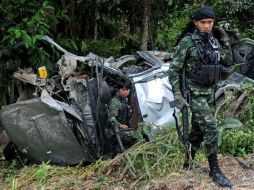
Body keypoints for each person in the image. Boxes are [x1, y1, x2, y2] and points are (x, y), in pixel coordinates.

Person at [168, 6, 234, 188]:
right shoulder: (187, 42)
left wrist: (226, 40)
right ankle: (215, 171)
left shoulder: (214, 41)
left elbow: (227, 62)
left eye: (210, 22)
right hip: (195, 95)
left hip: (210, 94)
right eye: (203, 22)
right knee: (212, 129)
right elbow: (173, 71)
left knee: (197, 132)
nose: (207, 26)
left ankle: (187, 163)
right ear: (196, 23)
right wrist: (177, 94)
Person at [106, 81, 151, 153]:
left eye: (127, 90)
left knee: (145, 128)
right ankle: (136, 152)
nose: (125, 92)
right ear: (118, 90)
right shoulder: (115, 102)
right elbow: (111, 119)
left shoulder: (125, 99)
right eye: (123, 90)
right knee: (135, 136)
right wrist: (120, 125)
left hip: (124, 127)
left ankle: (147, 148)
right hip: (114, 130)